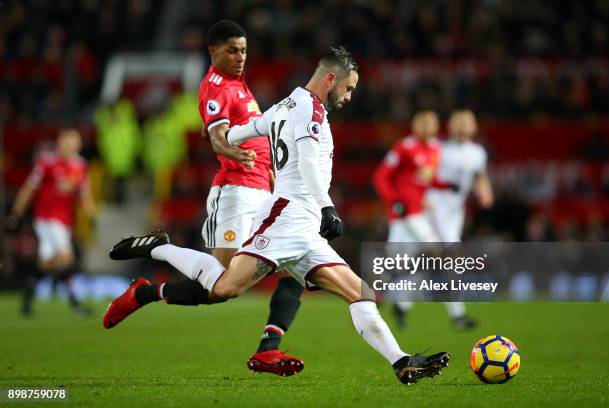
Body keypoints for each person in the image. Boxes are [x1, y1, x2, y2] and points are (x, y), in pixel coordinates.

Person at [103, 47, 450, 385]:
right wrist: (327, 206)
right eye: (348, 88)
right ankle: (159, 249)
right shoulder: (311, 112)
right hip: (285, 218)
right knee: (224, 287)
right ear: (330, 79)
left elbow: (240, 132)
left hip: (305, 228)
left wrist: (228, 142)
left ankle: (401, 362)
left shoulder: (284, 105)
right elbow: (308, 163)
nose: (348, 96)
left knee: (361, 292)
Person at [196, 20, 306, 376]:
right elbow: (216, 136)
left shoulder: (239, 85)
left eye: (243, 50)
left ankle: (268, 347)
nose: (241, 56)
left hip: (263, 188)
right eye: (232, 50)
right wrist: (233, 152)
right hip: (236, 190)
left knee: (298, 266)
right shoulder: (215, 88)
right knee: (222, 282)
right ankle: (155, 257)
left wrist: (271, 171)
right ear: (213, 51)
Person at [372, 111, 476, 330]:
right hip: (406, 213)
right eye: (424, 122)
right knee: (439, 251)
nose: (428, 126)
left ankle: (397, 303)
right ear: (415, 125)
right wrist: (394, 200)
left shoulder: (435, 148)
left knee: (401, 263)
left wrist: (445, 185)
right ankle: (456, 314)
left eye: (432, 123)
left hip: (414, 214)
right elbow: (380, 176)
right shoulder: (405, 147)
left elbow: (427, 178)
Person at [10, 128, 96, 316]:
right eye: (66, 142)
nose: (70, 146)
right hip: (47, 218)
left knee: (46, 262)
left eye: (74, 143)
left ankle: (26, 301)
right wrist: (16, 211)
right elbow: (29, 188)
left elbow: (84, 193)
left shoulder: (80, 165)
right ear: (59, 144)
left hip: (65, 220)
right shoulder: (47, 163)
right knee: (67, 257)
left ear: (79, 145)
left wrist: (91, 215)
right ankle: (75, 303)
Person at [426, 110, 494, 243]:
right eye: (459, 122)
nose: (462, 126)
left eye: (466, 122)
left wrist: (485, 191)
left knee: (448, 247)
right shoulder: (437, 147)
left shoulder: (478, 153)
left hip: (455, 208)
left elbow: (479, 176)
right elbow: (423, 174)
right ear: (450, 125)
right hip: (433, 204)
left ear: (474, 126)